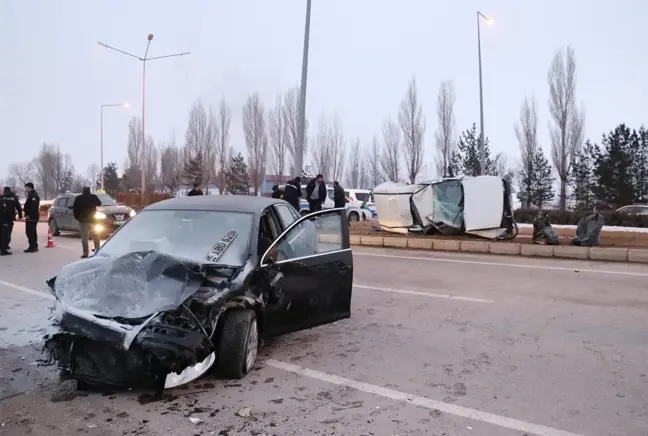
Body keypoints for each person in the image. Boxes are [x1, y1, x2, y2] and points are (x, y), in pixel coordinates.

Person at [71, 187, 102, 259]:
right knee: (96, 235)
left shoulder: (78, 198)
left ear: (83, 191)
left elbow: (74, 208)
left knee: (84, 238)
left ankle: (85, 253)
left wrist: (78, 217)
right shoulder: (93, 197)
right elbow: (99, 203)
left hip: (82, 221)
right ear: (89, 191)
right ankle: (97, 250)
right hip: (93, 220)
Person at [0, 187, 23, 255]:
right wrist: (20, 215)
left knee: (2, 233)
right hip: (9, 218)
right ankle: (5, 247)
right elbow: (18, 207)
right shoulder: (13, 197)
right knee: (7, 233)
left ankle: (3, 246)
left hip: (2, 218)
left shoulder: (3, 197)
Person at [23, 182, 40, 253]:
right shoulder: (31, 195)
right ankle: (34, 246)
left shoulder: (33, 196)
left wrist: (29, 215)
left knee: (29, 232)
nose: (25, 189)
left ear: (30, 188)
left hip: (32, 217)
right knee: (33, 232)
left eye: (26, 187)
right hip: (32, 217)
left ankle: (32, 247)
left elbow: (33, 207)